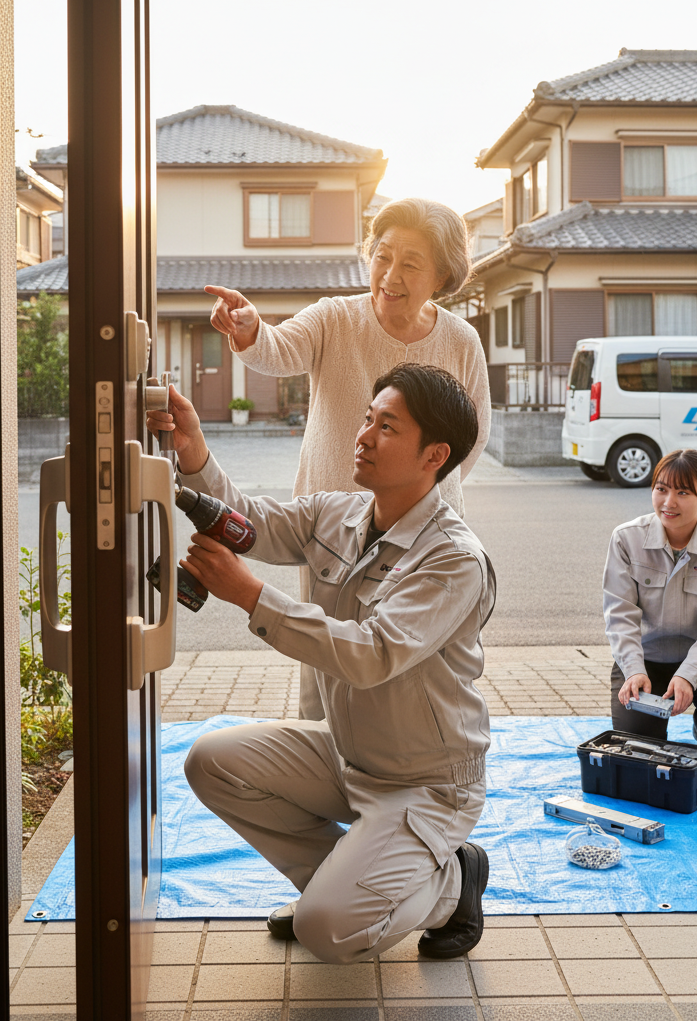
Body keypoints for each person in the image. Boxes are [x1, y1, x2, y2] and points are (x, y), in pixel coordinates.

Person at [147, 363, 496, 965]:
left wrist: (251, 595)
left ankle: (452, 884)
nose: (363, 436)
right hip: (349, 754)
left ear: (434, 455)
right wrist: (192, 449)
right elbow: (248, 525)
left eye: (387, 427)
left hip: (427, 782)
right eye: (368, 418)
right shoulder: (340, 513)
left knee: (327, 932)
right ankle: (343, 884)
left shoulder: (454, 560)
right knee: (212, 762)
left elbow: (371, 654)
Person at [205, 196, 492, 720]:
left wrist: (413, 492)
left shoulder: (461, 340)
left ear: (443, 274)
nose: (390, 274)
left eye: (410, 262)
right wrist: (249, 330)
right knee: (323, 650)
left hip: (421, 532)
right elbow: (277, 347)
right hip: (332, 527)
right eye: (382, 255)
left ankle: (405, 762)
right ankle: (321, 758)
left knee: (411, 657)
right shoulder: (335, 316)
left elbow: (471, 434)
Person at [602, 449, 697, 766]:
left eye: (683, 492)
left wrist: (689, 676)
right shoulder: (626, 539)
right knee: (639, 751)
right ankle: (646, 716)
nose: (669, 502)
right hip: (645, 660)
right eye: (661, 489)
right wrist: (633, 670)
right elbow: (620, 614)